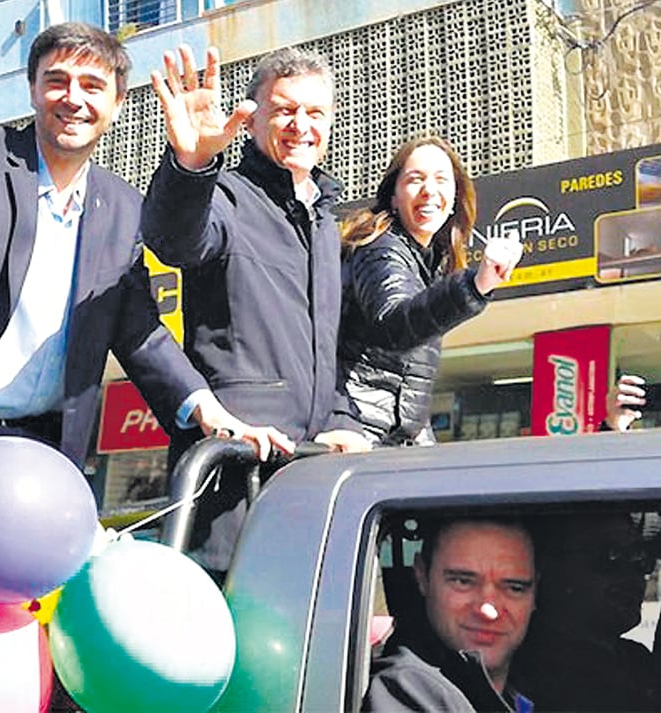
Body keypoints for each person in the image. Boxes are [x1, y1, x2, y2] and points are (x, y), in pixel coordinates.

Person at [0, 23, 283, 521]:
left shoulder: (124, 209)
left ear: (118, 102)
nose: (73, 98)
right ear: (33, 90)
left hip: (35, 442)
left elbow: (139, 332)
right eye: (57, 80)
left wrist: (207, 409)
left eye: (92, 85)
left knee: (61, 556)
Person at [142, 45, 370, 573]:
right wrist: (192, 163)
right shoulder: (224, 194)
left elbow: (321, 349)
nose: (300, 126)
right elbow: (174, 239)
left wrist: (340, 420)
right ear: (249, 120)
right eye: (284, 110)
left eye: (315, 113)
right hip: (233, 478)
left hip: (308, 482)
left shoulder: (323, 220)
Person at [338, 136, 523, 447]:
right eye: (415, 179)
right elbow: (394, 323)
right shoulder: (381, 247)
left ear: (453, 199)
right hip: (356, 439)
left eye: (441, 180)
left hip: (385, 442)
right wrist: (475, 286)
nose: (429, 190)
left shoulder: (428, 264)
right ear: (393, 197)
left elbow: (408, 393)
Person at [364, 517, 537, 711]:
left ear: (536, 593)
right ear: (422, 576)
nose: (488, 611)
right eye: (463, 582)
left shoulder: (541, 687)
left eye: (514, 588)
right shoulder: (403, 692)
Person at [510, 510, 661, 711]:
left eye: (640, 559)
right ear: (546, 569)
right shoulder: (523, 672)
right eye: (610, 557)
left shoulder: (635, 659)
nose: (631, 576)